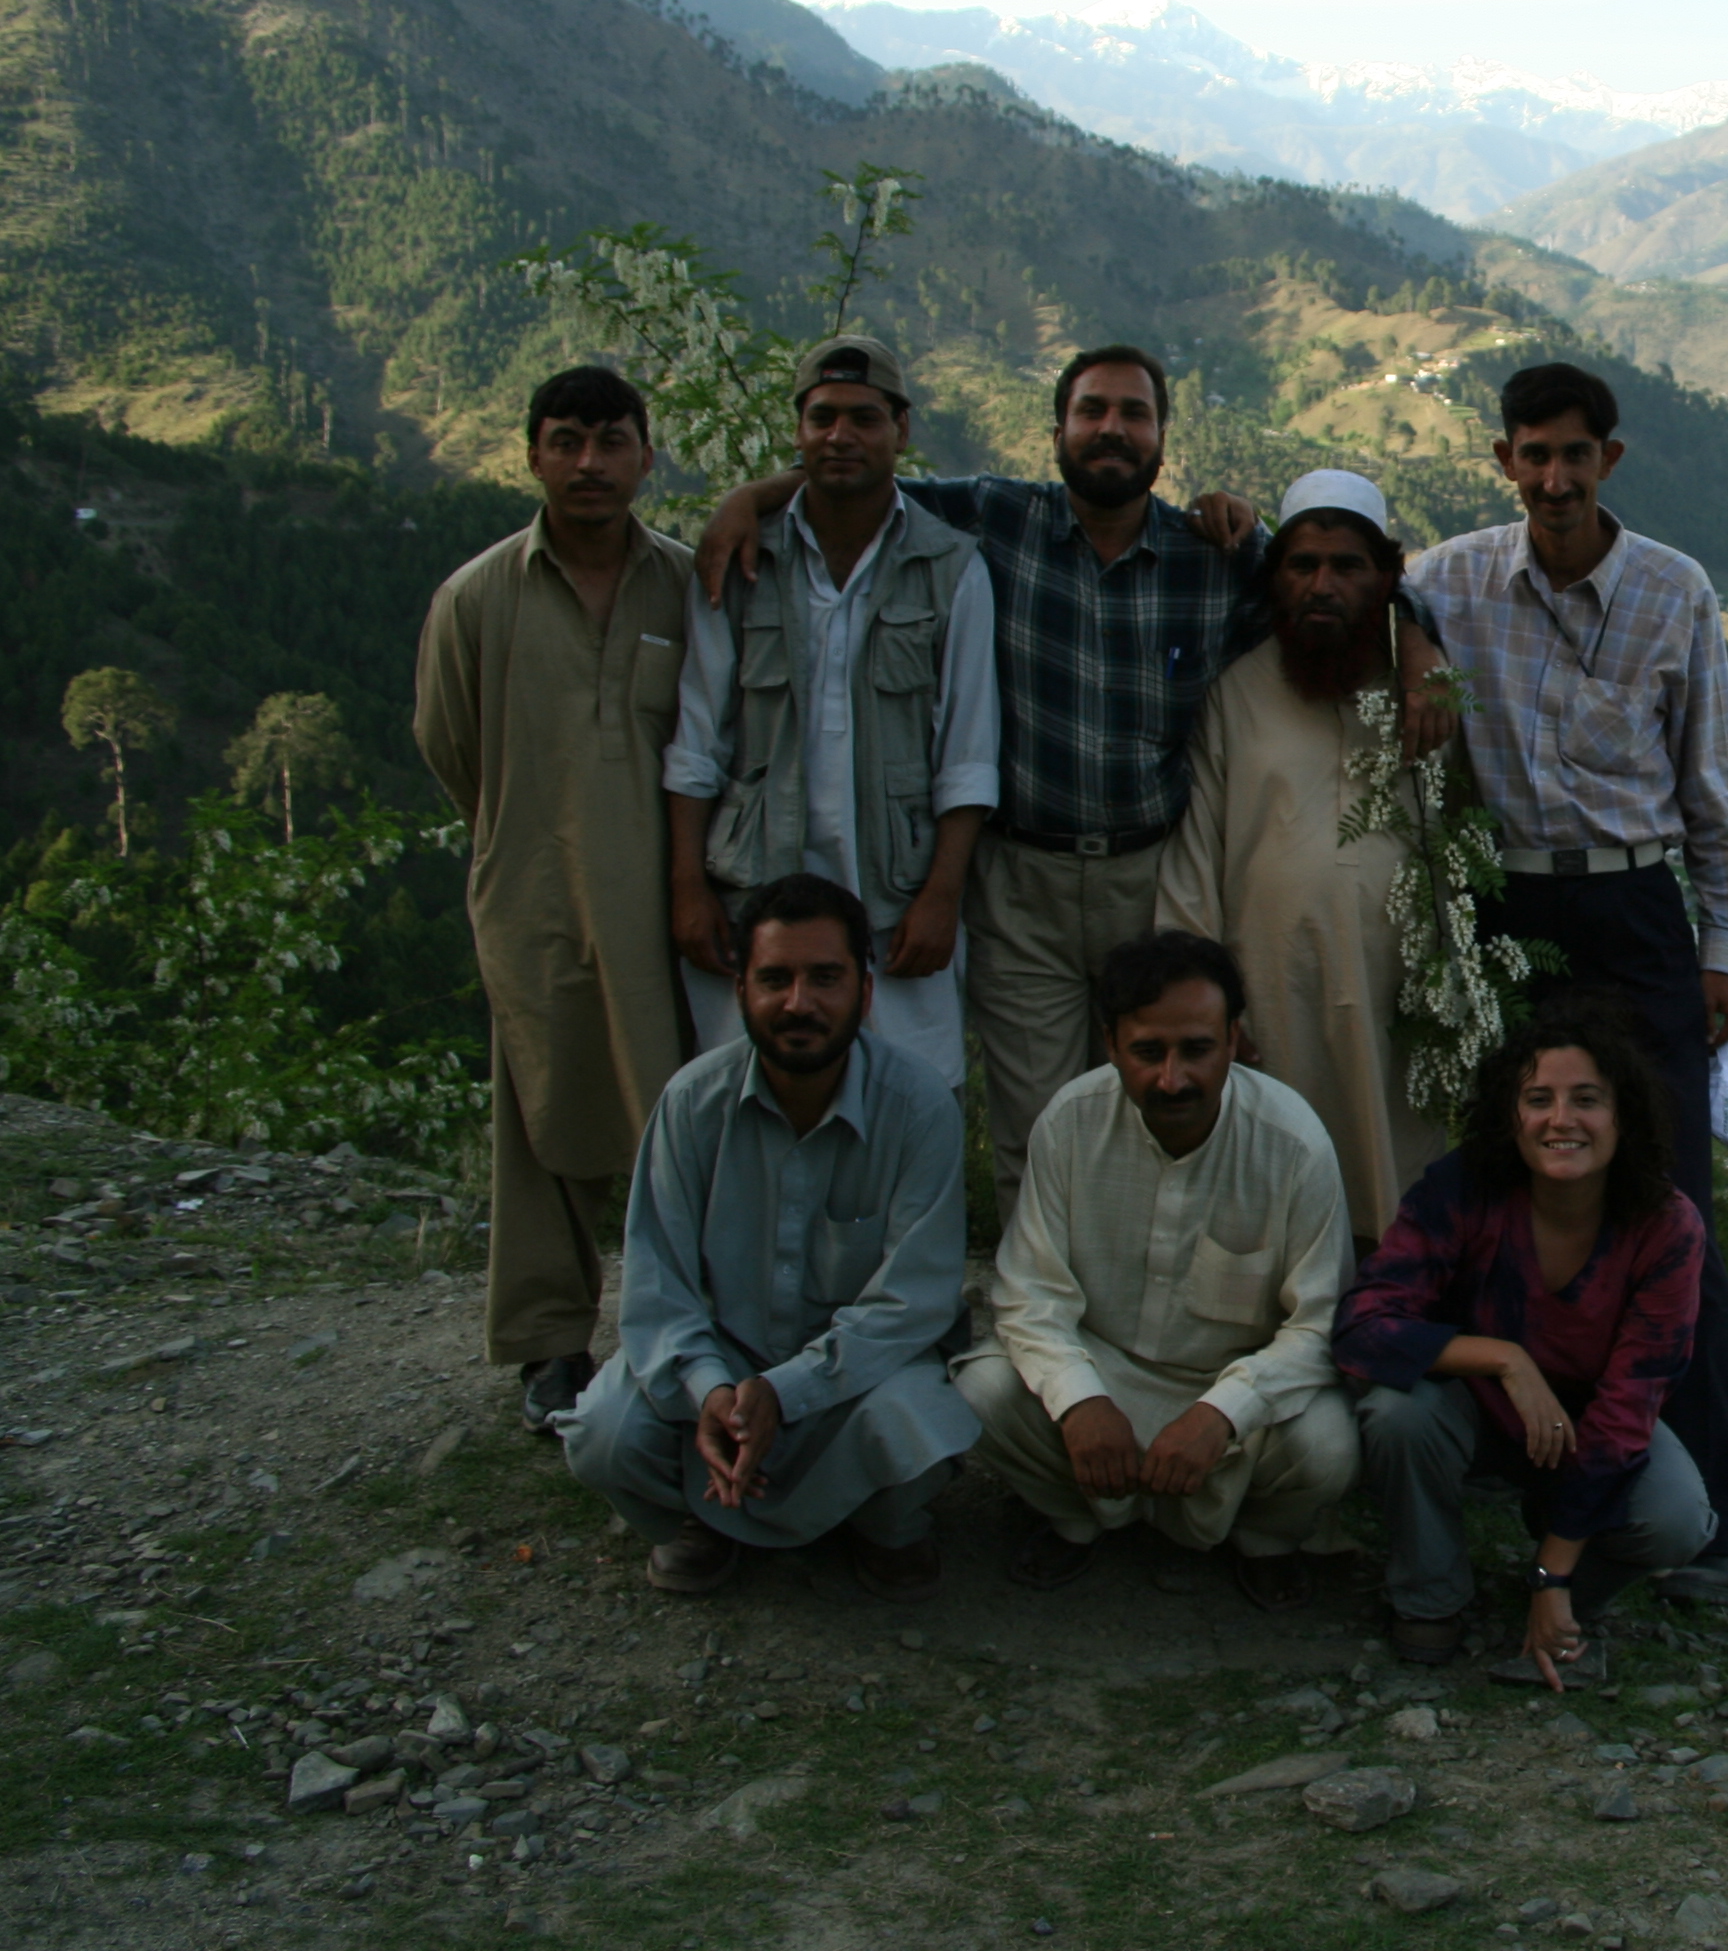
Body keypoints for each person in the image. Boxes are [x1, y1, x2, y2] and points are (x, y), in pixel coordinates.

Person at [698, 348, 1444, 1206]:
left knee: (1154, 1114)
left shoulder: (1214, 553)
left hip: (1146, 878)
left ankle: (1148, 1281)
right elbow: (862, 482)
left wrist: (1416, 637)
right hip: (1023, 885)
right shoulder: (996, 518)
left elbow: (1341, 569)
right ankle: (1037, 1286)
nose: (1111, 430)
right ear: (1056, 431)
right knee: (1038, 1130)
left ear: (1162, 437)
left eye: (1134, 413)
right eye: (1093, 411)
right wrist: (751, 498)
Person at [1403, 360, 1728, 1603]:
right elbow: (1343, 587)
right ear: (1503, 461)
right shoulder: (1447, 580)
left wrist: (1722, 951)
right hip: (1503, 910)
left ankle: (1714, 1518)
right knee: (1502, 1190)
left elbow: (1714, 783)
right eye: (1532, 454)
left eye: (1574, 454)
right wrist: (1409, 646)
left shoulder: (1674, 590)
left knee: (1670, 1210)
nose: (1553, 478)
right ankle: (1514, 1469)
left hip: (1632, 913)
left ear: (1610, 459)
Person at [560, 874, 981, 1601]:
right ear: (740, 992)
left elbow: (912, 1305)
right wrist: (714, 1391)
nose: (799, 1003)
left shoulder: (918, 1108)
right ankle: (703, 1518)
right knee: (605, 1433)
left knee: (920, 1423)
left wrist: (785, 1392)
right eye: (775, 979)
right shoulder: (691, 1104)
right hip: (721, 1374)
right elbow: (659, 1289)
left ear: (865, 992)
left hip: (853, 1383)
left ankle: (882, 1524)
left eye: (825, 978)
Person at [413, 365, 694, 1432]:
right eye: (567, 440)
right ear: (532, 453)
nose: (589, 463)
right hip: (534, 894)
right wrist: (529, 840)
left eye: (611, 441)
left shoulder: (688, 586)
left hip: (668, 902)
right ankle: (548, 1343)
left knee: (678, 1115)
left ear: (645, 457)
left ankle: (678, 1333)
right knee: (538, 1112)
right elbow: (452, 747)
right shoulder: (477, 599)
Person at [954, 930, 1357, 1609]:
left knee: (1327, 1447)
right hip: (1103, 1370)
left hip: (1231, 1389)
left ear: (1234, 1040)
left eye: (1197, 1049)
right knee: (982, 1393)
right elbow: (1030, 1295)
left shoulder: (1293, 1144)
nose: (1173, 1079)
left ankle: (1263, 1537)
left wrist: (1221, 1413)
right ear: (1110, 1044)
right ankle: (1075, 1515)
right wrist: (1080, 1401)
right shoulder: (1070, 1122)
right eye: (1148, 1052)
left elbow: (1319, 1326)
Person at [1337, 1009, 1714, 1685]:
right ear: (1509, 1117)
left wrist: (1551, 1573)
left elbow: (1629, 1408)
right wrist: (1505, 1360)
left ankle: (1557, 1594)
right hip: (1473, 1408)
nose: (1561, 1120)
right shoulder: (1461, 1189)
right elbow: (1363, 1325)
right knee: (1397, 1415)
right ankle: (1430, 1594)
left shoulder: (1666, 1228)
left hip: (1589, 1426)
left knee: (1676, 1518)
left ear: (1623, 1116)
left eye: (1586, 1099)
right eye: (1538, 1099)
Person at [664, 337, 998, 1094]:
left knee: (910, 1098)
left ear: (900, 430)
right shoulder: (741, 559)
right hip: (754, 894)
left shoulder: (950, 568)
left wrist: (941, 897)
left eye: (864, 419)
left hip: (894, 901)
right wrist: (687, 886)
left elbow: (969, 756)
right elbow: (697, 738)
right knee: (747, 1101)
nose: (841, 436)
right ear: (799, 431)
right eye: (822, 419)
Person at [1154, 469, 1452, 1253]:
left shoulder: (1428, 698)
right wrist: (1207, 1009)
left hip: (1399, 1014)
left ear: (1386, 579)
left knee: (1398, 1194)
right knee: (1271, 1210)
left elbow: (1464, 840)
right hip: (1270, 1001)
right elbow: (1194, 861)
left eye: (1347, 567)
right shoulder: (1234, 694)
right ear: (1275, 578)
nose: (1323, 586)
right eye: (1302, 566)